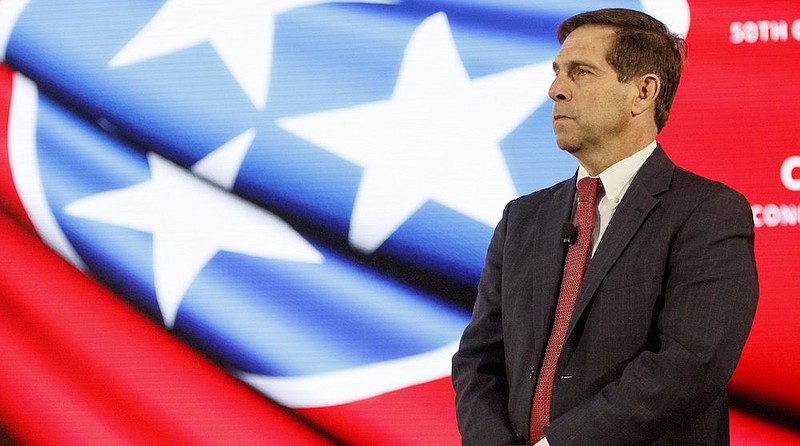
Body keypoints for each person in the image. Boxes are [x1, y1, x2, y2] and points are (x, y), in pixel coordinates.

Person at [451, 8, 758, 446]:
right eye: (557, 72)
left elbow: (691, 363)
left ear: (643, 92)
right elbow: (478, 360)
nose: (556, 89)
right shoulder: (522, 219)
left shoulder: (707, 213)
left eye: (581, 73)